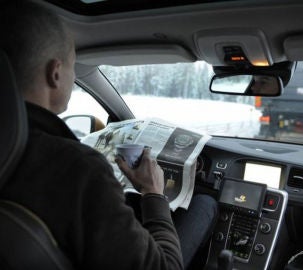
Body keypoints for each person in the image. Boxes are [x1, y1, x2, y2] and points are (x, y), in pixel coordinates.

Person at [0, 1, 217, 269]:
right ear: (55, 73)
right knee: (205, 204)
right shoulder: (78, 169)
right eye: (73, 66)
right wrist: (152, 192)